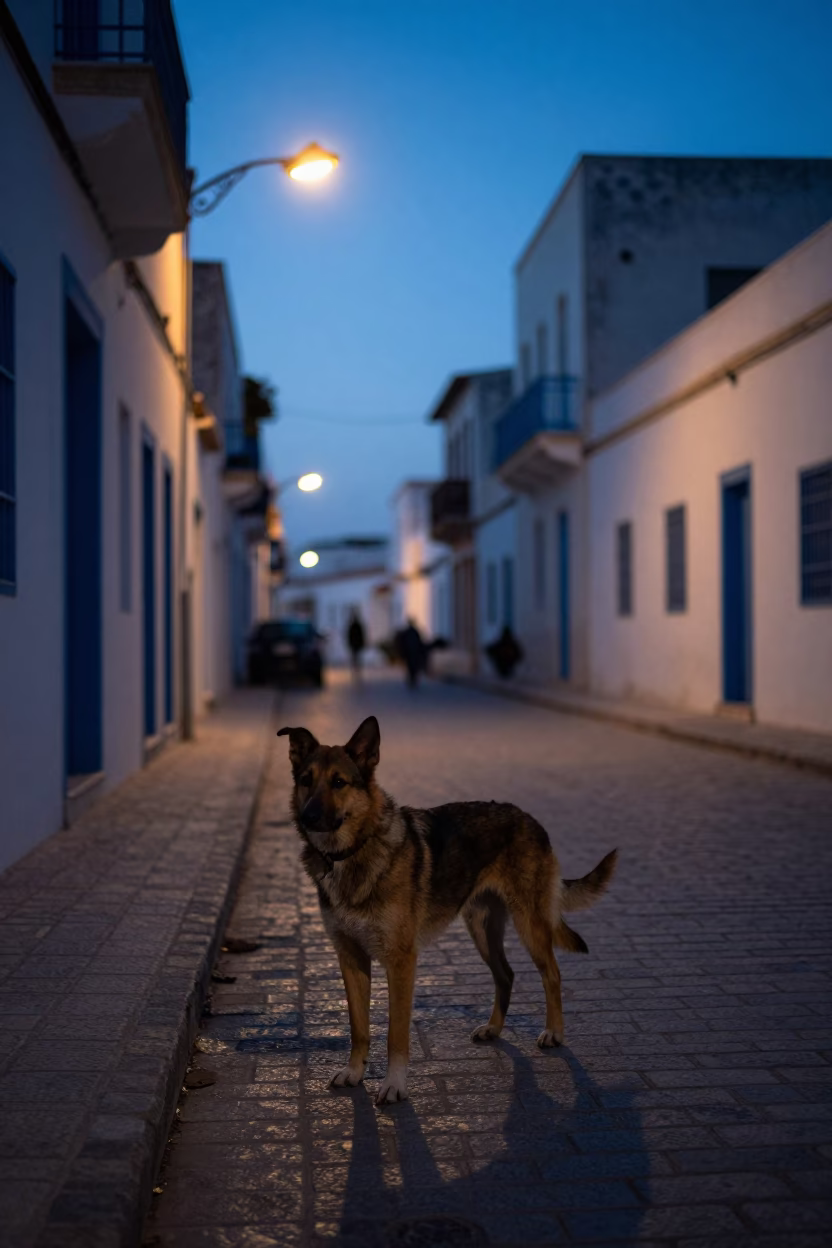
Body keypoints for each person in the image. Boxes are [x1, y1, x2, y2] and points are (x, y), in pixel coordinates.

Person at [396, 618, 428, 688]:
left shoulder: (413, 632)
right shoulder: (410, 632)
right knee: (411, 667)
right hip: (410, 653)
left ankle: (413, 680)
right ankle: (412, 680)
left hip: (413, 653)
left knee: (413, 667)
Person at [346, 609, 366, 683]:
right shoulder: (355, 626)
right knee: (355, 658)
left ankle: (356, 670)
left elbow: (361, 635)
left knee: (356, 658)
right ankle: (356, 670)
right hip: (355, 644)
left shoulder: (355, 626)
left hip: (356, 644)